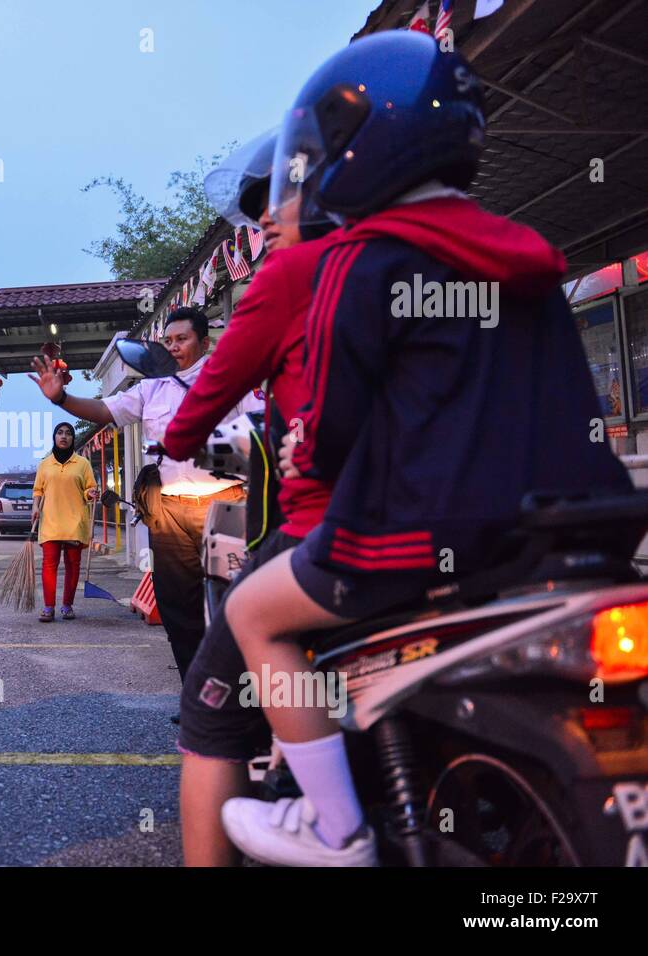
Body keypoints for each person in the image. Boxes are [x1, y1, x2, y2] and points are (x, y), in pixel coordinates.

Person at [216, 31, 633, 866]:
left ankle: (334, 824)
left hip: (410, 537)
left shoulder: (359, 264)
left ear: (349, 151)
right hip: (577, 530)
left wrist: (302, 452)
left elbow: (329, 430)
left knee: (251, 612)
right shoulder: (527, 259)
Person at [160, 130, 337, 866]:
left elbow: (188, 428)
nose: (264, 219)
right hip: (502, 526)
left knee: (215, 696)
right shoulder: (471, 258)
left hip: (338, 527)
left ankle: (336, 817)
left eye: (278, 199)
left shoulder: (296, 275)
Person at [29, 307, 257, 692]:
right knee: (176, 606)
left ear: (205, 342)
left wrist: (211, 454)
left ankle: (241, 697)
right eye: (168, 341)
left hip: (225, 506)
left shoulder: (233, 379)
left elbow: (262, 434)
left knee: (233, 601)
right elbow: (104, 410)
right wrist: (61, 398)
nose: (173, 347)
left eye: (182, 340)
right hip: (168, 512)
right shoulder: (151, 388)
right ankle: (199, 696)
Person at [31, 422, 99, 622]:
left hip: (75, 522)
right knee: (49, 565)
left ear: (72, 438)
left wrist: (91, 492)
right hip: (50, 522)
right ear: (54, 437)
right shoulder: (44, 464)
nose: (64, 436)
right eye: (60, 433)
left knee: (73, 565)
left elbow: (89, 489)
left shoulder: (83, 464)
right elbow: (38, 490)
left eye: (68, 433)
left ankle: (67, 605)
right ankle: (48, 607)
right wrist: (35, 507)